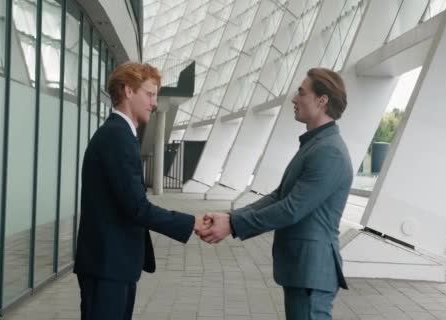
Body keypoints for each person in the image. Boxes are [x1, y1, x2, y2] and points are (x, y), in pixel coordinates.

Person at [198, 68, 353, 320]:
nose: (294, 99)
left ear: (322, 100)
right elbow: (278, 196)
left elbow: (291, 208)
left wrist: (233, 225)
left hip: (311, 271)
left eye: (301, 93)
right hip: (303, 271)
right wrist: (231, 217)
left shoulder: (329, 151)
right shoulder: (315, 145)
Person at [74, 62, 210, 320]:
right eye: (149, 94)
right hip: (108, 266)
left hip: (112, 264)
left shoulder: (120, 135)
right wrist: (191, 222)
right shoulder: (117, 137)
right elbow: (137, 207)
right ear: (127, 91)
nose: (154, 103)